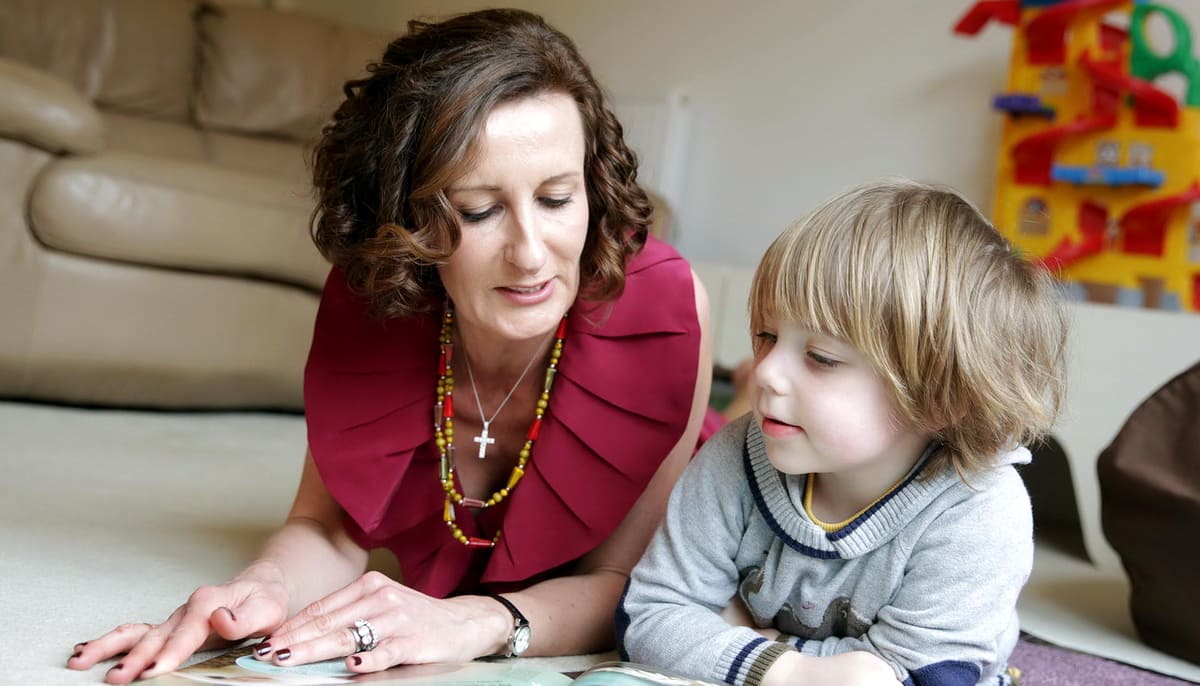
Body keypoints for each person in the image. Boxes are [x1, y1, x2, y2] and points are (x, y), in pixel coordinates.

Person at [68, 9, 716, 684]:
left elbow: (625, 582)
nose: (530, 254)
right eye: (479, 210)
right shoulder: (378, 292)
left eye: (557, 198)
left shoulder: (663, 317)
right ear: (405, 216)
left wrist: (476, 622)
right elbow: (328, 527)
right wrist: (260, 588)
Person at [617, 180, 1069, 686]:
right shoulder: (738, 453)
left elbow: (920, 677)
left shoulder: (978, 507)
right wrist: (789, 671)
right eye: (768, 336)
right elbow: (648, 615)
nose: (765, 372)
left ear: (943, 399)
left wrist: (740, 638)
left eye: (821, 357)